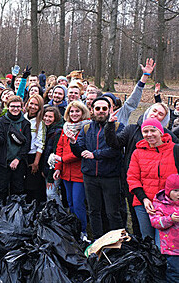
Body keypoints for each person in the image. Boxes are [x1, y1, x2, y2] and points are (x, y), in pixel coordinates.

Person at [106, 102, 178, 237]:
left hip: (164, 197)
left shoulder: (171, 142)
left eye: (161, 114)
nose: (156, 115)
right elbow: (115, 143)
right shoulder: (132, 131)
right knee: (139, 223)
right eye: (154, 111)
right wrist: (110, 125)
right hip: (137, 187)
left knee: (163, 237)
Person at [70, 97, 124, 240]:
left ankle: (117, 242)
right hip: (90, 176)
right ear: (92, 110)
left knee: (113, 212)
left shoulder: (118, 127)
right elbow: (79, 151)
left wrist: (95, 154)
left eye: (104, 108)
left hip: (110, 176)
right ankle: (97, 241)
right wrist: (73, 142)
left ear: (110, 110)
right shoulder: (86, 128)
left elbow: (116, 150)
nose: (101, 111)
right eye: (98, 108)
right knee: (94, 211)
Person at [127, 118, 178, 241]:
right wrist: (143, 199)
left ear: (161, 132)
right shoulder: (137, 153)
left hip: (168, 204)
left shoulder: (175, 150)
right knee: (148, 240)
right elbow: (132, 177)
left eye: (153, 130)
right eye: (145, 131)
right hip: (144, 204)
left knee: (164, 242)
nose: (149, 134)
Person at [53, 101, 90, 237]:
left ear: (83, 112)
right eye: (72, 112)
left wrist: (63, 159)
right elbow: (60, 148)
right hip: (65, 173)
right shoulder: (66, 127)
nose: (74, 114)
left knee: (78, 202)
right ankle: (73, 227)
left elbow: (79, 151)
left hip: (79, 172)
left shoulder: (86, 128)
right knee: (69, 202)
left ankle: (83, 231)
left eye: (77, 111)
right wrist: (58, 167)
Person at [0, 95, 32, 201]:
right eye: (13, 106)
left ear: (22, 107)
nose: (15, 109)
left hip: (19, 162)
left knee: (18, 189)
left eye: (18, 106)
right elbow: (0, 142)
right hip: (2, 162)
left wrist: (18, 159)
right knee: (1, 189)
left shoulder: (25, 123)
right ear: (8, 107)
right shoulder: (2, 121)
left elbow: (27, 145)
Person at [150, 174, 179, 282]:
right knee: (174, 274)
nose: (178, 194)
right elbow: (155, 222)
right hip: (172, 249)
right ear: (168, 191)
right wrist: (170, 219)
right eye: (175, 190)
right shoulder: (160, 204)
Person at [23, 94, 46, 203]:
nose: (33, 106)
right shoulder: (23, 117)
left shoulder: (40, 122)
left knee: (33, 186)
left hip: (33, 156)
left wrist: (36, 162)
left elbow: (40, 144)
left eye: (36, 105)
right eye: (31, 103)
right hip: (21, 155)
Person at [40, 106, 64, 205]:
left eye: (50, 117)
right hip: (47, 168)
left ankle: (60, 215)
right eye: (45, 116)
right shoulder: (47, 129)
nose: (47, 119)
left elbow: (55, 154)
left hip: (54, 169)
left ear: (56, 118)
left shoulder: (57, 132)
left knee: (51, 193)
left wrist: (50, 176)